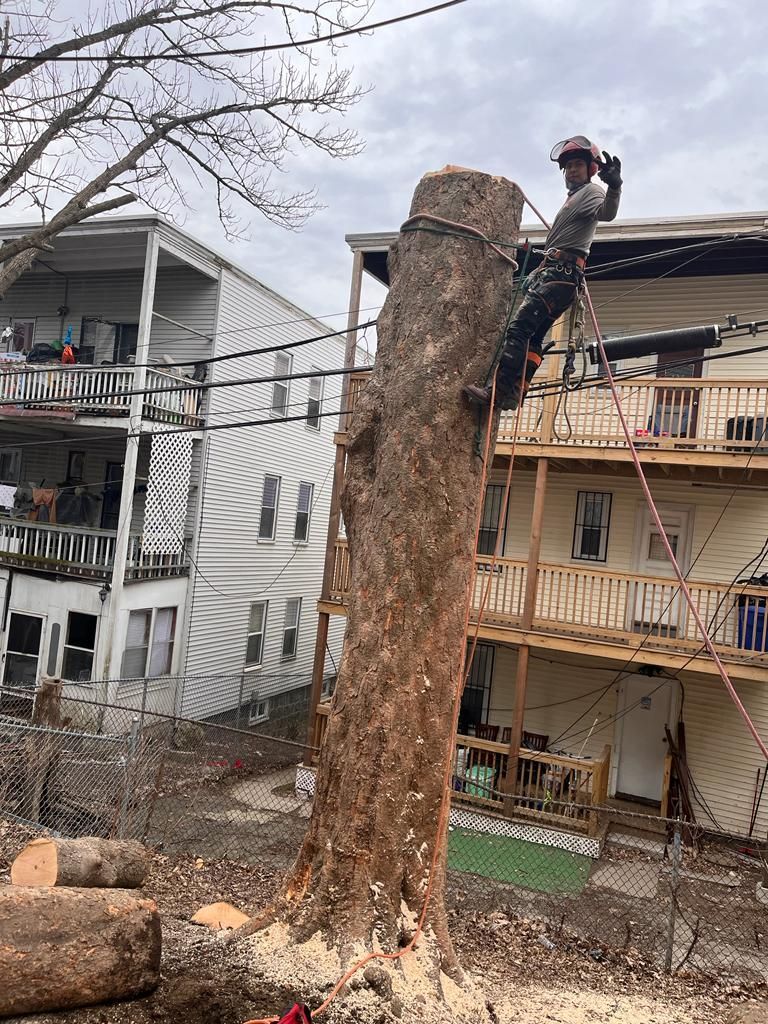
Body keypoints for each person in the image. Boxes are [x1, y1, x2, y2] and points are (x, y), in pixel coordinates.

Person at [464, 136, 622, 411]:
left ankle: (497, 393)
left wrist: (614, 187)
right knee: (533, 337)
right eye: (568, 166)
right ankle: (515, 391)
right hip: (556, 273)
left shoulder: (592, 193)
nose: (572, 170)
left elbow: (607, 213)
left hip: (561, 275)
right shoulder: (573, 199)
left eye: (577, 165)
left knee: (518, 329)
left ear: (591, 169)